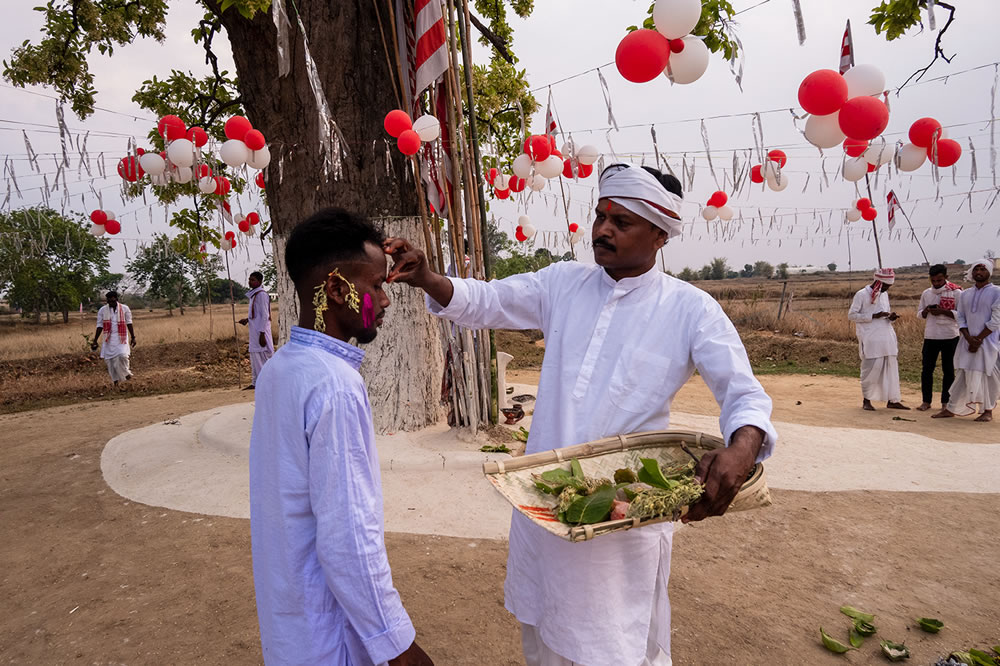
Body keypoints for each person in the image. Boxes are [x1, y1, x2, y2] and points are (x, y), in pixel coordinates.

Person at [385, 163, 777, 666]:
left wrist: (742, 448)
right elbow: (487, 300)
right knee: (544, 634)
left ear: (660, 234)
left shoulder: (691, 310)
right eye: (600, 216)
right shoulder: (563, 284)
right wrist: (427, 278)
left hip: (622, 521)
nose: (602, 230)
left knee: (616, 643)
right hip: (546, 505)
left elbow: (743, 393)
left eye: (621, 222)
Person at [249, 208, 432, 666]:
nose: (386, 301)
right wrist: (398, 645)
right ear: (335, 289)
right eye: (375, 287)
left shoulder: (280, 369)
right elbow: (348, 538)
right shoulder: (333, 383)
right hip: (329, 630)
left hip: (291, 621)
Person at [932, 258, 1000, 422]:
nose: (979, 273)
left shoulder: (997, 292)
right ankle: (951, 408)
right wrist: (969, 339)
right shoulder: (966, 294)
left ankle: (987, 410)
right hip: (967, 342)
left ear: (989, 272)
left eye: (982, 270)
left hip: (988, 343)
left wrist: (979, 340)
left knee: (988, 376)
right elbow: (960, 317)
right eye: (976, 269)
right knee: (962, 374)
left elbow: (996, 319)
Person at [848, 268, 910, 411]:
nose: (887, 289)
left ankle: (892, 400)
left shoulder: (884, 294)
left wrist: (890, 317)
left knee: (891, 369)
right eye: (885, 286)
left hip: (886, 337)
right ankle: (867, 400)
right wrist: (873, 316)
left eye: (889, 287)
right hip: (870, 338)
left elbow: (884, 313)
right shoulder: (861, 294)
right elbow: (852, 315)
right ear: (878, 282)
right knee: (870, 369)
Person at [916, 264, 962, 411]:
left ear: (946, 278)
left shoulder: (957, 293)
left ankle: (946, 402)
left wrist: (943, 312)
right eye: (933, 280)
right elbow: (919, 314)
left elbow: (961, 315)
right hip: (931, 336)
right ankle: (926, 401)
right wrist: (927, 310)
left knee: (948, 370)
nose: (936, 283)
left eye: (939, 280)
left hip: (950, 335)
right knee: (927, 370)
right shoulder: (926, 293)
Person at [91, 291, 135, 387]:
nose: (110, 302)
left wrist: (133, 337)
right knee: (110, 362)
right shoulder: (102, 310)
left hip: (121, 337)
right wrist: (95, 340)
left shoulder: (124, 308)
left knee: (123, 356)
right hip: (108, 338)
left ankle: (126, 373)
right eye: (108, 301)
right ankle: (115, 382)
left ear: (116, 299)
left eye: (112, 300)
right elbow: (99, 325)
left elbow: (129, 323)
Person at [239, 270, 274, 389]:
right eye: (249, 279)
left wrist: (262, 333)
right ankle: (256, 382)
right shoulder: (254, 294)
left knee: (262, 356)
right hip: (254, 331)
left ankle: (264, 382)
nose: (250, 282)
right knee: (255, 356)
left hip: (260, 331)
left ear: (259, 281)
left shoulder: (262, 295)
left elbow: (264, 315)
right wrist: (247, 319)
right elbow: (257, 313)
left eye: (253, 280)